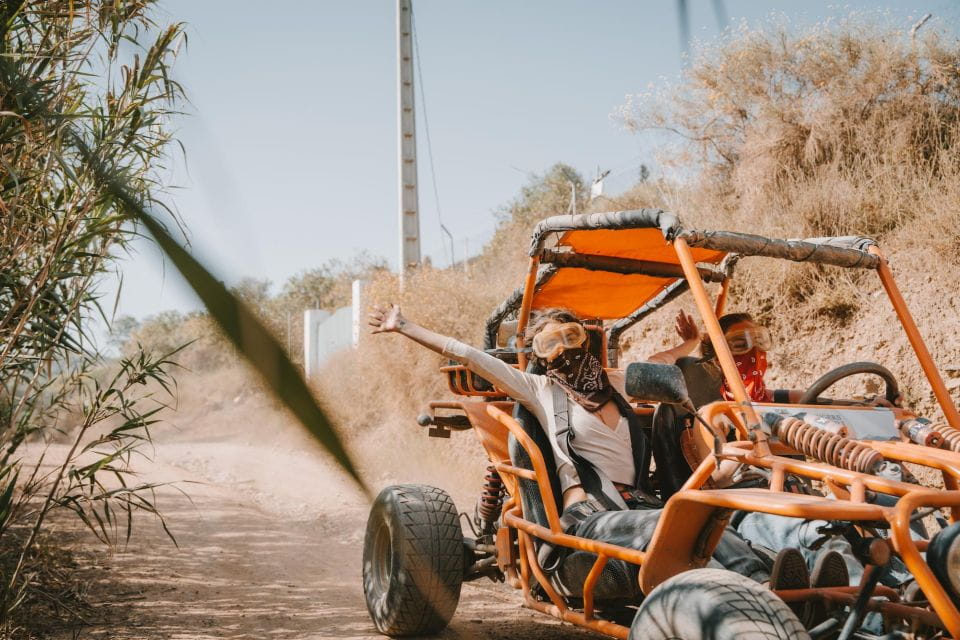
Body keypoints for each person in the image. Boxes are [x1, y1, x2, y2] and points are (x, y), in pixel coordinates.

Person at [368, 303, 774, 583]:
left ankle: (769, 579)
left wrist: (690, 344)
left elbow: (660, 364)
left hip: (639, 505)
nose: (563, 349)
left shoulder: (616, 384)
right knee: (671, 526)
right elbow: (472, 356)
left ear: (584, 340)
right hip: (587, 515)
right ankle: (752, 590)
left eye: (570, 336)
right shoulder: (540, 390)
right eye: (550, 344)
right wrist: (405, 326)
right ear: (541, 356)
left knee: (704, 520)